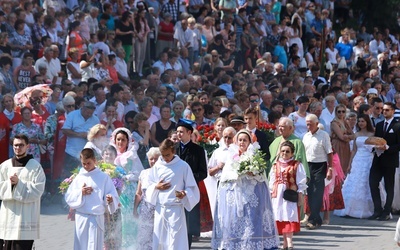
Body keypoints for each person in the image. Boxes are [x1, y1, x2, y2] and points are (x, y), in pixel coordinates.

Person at [211, 129, 279, 249]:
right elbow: (226, 175)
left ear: (249, 142)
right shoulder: (230, 155)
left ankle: (251, 244)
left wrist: (252, 172)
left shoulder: (255, 155)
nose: (242, 142)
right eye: (240, 140)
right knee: (235, 220)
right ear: (236, 141)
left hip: (251, 193)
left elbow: (261, 176)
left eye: (245, 140)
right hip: (236, 194)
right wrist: (238, 173)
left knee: (251, 219)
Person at [145, 139, 200, 250]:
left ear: (173, 151)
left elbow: (192, 187)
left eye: (168, 155)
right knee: (160, 240)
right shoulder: (157, 166)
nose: (166, 158)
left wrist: (184, 193)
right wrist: (156, 187)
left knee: (175, 241)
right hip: (161, 209)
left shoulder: (183, 166)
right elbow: (148, 185)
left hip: (176, 209)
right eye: (163, 155)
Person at [65, 148, 119, 250]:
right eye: (83, 164)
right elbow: (69, 196)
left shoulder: (104, 177)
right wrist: (81, 192)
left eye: (88, 163)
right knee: (81, 246)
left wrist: (110, 199)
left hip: (96, 218)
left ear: (94, 160)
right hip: (82, 217)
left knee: (94, 246)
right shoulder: (79, 177)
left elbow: (112, 193)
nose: (86, 166)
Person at [0, 134, 46, 250]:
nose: (18, 148)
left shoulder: (35, 167)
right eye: (15, 145)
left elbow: (38, 190)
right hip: (9, 215)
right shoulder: (5, 166)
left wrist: (18, 184)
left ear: (27, 146)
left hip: (26, 217)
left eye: (21, 145)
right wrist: (10, 184)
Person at [334, 114, 376, 218]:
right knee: (354, 181)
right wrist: (349, 164)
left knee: (366, 182)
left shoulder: (372, 134)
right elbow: (354, 150)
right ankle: (349, 209)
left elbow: (375, 149)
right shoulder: (356, 134)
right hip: (358, 159)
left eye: (363, 121)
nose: (361, 123)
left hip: (368, 159)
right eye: (359, 121)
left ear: (367, 122)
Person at [269, 141, 307, 250]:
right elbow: (272, 181)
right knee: (281, 217)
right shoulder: (275, 165)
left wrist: (300, 195)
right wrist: (271, 194)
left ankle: (290, 243)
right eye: (283, 151)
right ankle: (285, 243)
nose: (284, 153)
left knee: (289, 216)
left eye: (287, 151)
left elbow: (301, 182)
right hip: (277, 194)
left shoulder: (296, 165)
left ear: (292, 153)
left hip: (290, 193)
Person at [176, 120, 208, 247]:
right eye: (177, 132)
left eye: (181, 132)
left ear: (189, 133)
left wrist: (188, 179)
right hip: (176, 190)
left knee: (188, 223)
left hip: (190, 190)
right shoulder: (173, 149)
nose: (179, 134)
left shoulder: (198, 150)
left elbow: (203, 172)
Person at [110, 127, 144, 247]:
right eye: (118, 139)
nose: (120, 142)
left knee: (128, 219)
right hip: (113, 190)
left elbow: (139, 173)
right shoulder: (110, 153)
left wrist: (125, 177)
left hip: (128, 191)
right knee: (115, 220)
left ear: (128, 141)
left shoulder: (131, 155)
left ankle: (130, 246)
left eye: (123, 140)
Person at [369, 102, 400, 221]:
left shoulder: (397, 126)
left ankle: (387, 211)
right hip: (378, 159)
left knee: (389, 186)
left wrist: (388, 148)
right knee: (373, 182)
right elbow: (376, 140)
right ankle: (378, 209)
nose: (384, 112)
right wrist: (373, 147)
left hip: (390, 160)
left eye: (387, 110)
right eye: (383, 110)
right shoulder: (380, 124)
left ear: (392, 111)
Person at [302, 114, 333, 230]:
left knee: (317, 191)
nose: (308, 125)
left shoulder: (324, 135)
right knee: (309, 191)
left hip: (320, 165)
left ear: (316, 123)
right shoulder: (305, 136)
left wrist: (330, 168)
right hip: (308, 165)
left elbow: (329, 152)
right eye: (307, 123)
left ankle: (313, 219)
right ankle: (316, 218)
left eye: (310, 123)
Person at [61, 101, 99, 180]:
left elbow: (99, 135)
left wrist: (90, 136)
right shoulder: (72, 115)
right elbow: (64, 130)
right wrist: (79, 134)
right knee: (68, 176)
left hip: (87, 154)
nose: (89, 115)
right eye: (87, 113)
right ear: (83, 109)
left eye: (90, 113)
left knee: (85, 177)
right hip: (72, 152)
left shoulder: (95, 119)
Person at [133, 147, 161, 250]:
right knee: (144, 236)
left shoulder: (163, 173)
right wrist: (135, 209)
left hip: (158, 209)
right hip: (145, 209)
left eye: (156, 158)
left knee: (157, 236)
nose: (153, 161)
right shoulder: (143, 173)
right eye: (151, 158)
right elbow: (138, 193)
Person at [330, 104, 354, 174]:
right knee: (339, 165)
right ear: (336, 112)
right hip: (337, 144)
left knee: (345, 165)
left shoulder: (345, 122)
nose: (341, 113)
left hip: (346, 145)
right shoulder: (334, 123)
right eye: (339, 111)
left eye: (343, 111)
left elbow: (353, 135)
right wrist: (349, 137)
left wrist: (348, 137)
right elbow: (341, 137)